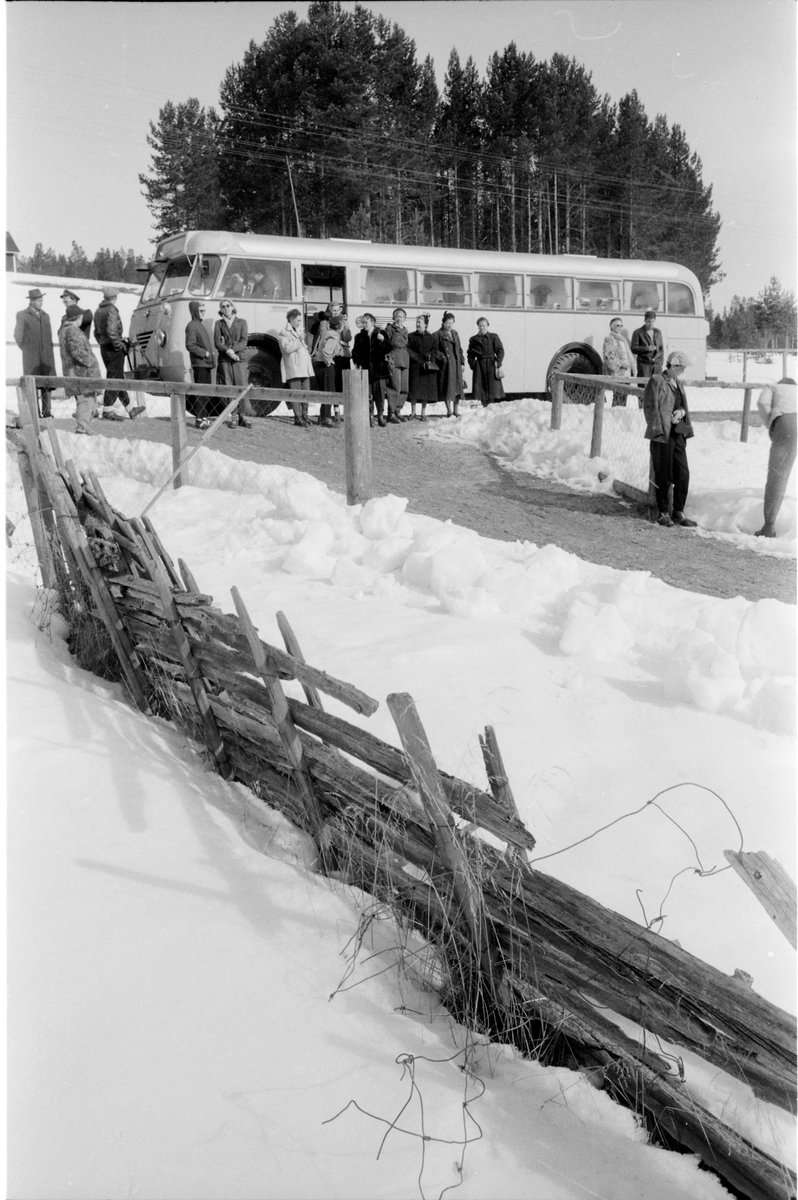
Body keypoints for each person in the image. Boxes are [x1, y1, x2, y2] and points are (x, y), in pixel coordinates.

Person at [642, 349, 697, 528]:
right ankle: (663, 512)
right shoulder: (657, 381)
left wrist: (681, 413)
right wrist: (658, 430)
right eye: (681, 367)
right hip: (663, 436)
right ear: (673, 365)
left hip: (677, 434)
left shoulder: (678, 383)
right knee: (663, 475)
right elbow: (650, 408)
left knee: (683, 474)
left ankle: (678, 512)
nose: (683, 370)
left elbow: (681, 405)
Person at [755, 376, 797, 538]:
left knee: (778, 475)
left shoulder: (772, 387)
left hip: (787, 421)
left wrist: (771, 423)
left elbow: (762, 403)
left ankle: (769, 526)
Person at [94, 286, 142, 420]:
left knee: (117, 377)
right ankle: (107, 410)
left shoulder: (98, 311)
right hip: (113, 349)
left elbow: (96, 333)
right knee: (114, 379)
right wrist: (118, 346)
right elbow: (112, 331)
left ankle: (131, 409)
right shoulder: (112, 310)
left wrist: (103, 343)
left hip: (104, 348)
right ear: (115, 298)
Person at [58, 305, 101, 435]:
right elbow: (77, 352)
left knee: (86, 401)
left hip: (74, 372)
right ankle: (81, 430)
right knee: (86, 401)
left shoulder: (64, 330)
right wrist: (92, 362)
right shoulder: (73, 330)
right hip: (81, 373)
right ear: (77, 317)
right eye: (81, 315)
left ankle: (83, 427)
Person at [14, 288, 56, 418]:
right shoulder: (22, 315)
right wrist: (27, 349)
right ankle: (35, 413)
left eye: (42, 300)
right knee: (32, 384)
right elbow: (18, 335)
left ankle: (47, 412)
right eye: (39, 301)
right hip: (31, 357)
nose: (41, 303)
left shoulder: (45, 316)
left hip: (46, 356)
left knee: (47, 383)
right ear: (31, 301)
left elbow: (49, 337)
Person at [214, 300, 253, 429]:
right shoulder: (218, 323)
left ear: (232, 307)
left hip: (239, 358)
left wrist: (233, 350)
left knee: (241, 386)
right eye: (223, 306)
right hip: (225, 360)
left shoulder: (242, 322)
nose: (226, 308)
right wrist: (228, 351)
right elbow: (217, 343)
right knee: (229, 386)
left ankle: (243, 416)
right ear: (220, 309)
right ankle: (234, 416)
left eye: (228, 306)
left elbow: (244, 341)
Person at [352, 313, 390, 427]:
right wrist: (357, 363)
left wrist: (383, 340)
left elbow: (389, 348)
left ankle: (380, 416)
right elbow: (355, 352)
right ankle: (370, 416)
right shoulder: (359, 336)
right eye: (363, 322)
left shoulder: (381, 333)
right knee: (368, 395)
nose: (364, 325)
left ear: (372, 322)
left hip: (379, 370)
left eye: (366, 322)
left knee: (380, 394)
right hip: (366, 370)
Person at [278, 309, 315, 428]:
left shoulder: (299, 331)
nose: (299, 323)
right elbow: (286, 348)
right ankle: (298, 416)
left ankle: (305, 414)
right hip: (294, 366)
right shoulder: (283, 333)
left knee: (306, 391)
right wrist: (299, 340)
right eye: (298, 320)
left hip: (304, 366)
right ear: (291, 319)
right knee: (296, 392)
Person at [185, 300, 215, 429]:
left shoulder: (199, 325)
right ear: (195, 311)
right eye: (201, 311)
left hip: (205, 364)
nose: (203, 313)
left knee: (205, 392)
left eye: (204, 311)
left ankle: (204, 417)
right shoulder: (192, 326)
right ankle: (199, 419)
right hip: (200, 364)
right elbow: (190, 345)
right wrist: (205, 353)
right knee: (200, 392)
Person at [407, 313, 444, 421]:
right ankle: (413, 412)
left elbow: (435, 350)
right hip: (415, 366)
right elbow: (408, 350)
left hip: (427, 367)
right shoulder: (411, 336)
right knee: (414, 390)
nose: (417, 324)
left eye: (420, 322)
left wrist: (429, 357)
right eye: (417, 322)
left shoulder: (432, 337)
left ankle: (423, 413)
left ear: (426, 324)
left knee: (425, 391)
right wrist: (417, 359)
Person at [467, 317, 505, 407]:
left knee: (492, 390)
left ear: (487, 326)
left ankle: (490, 408)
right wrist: (473, 364)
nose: (482, 328)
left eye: (484, 326)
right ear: (478, 326)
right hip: (479, 367)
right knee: (482, 390)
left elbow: (500, 350)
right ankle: (484, 408)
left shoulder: (493, 337)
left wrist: (498, 362)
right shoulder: (473, 339)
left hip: (491, 366)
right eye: (480, 326)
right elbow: (470, 354)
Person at [435, 311, 465, 417]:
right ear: (443, 323)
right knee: (447, 387)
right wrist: (443, 358)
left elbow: (459, 349)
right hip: (446, 366)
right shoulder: (438, 334)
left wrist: (462, 362)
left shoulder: (455, 333)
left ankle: (456, 410)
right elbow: (435, 350)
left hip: (456, 364)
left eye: (451, 323)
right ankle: (449, 410)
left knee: (457, 388)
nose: (449, 325)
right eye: (448, 323)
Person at [383, 308, 411, 421]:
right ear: (394, 317)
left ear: (405, 318)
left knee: (404, 387)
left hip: (404, 359)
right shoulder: (390, 329)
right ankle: (391, 412)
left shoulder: (405, 330)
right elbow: (386, 343)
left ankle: (398, 410)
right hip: (394, 358)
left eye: (401, 317)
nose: (399, 319)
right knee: (395, 387)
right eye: (397, 316)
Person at [602, 317, 636, 406]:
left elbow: (628, 355)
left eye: (621, 325)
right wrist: (621, 365)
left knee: (624, 397)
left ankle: (619, 413)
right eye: (618, 325)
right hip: (618, 374)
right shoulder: (609, 339)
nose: (620, 327)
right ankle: (615, 413)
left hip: (626, 374)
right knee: (618, 397)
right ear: (611, 327)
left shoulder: (622, 339)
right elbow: (608, 357)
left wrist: (633, 367)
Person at [631, 309, 664, 379]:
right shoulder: (638, 332)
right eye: (648, 322)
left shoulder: (658, 332)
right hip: (644, 365)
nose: (651, 324)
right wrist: (646, 348)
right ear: (645, 321)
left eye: (652, 322)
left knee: (656, 384)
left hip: (656, 365)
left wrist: (660, 363)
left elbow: (661, 349)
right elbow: (633, 348)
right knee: (644, 384)